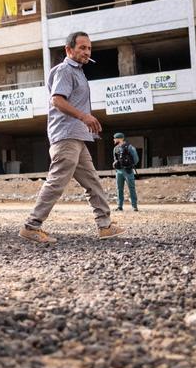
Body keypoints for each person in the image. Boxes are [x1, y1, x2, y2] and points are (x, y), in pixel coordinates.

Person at [21, 31, 125, 243]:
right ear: (69, 50)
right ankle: (32, 226)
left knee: (92, 181)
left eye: (89, 48)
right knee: (57, 181)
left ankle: (105, 226)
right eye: (82, 48)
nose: (86, 52)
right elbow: (57, 101)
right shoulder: (65, 70)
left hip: (78, 138)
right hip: (66, 136)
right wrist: (83, 116)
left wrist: (84, 120)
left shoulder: (78, 73)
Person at [112, 132, 139, 212]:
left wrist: (130, 165)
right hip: (119, 171)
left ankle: (134, 206)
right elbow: (115, 159)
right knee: (119, 189)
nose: (114, 140)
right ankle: (119, 206)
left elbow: (136, 159)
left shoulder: (130, 147)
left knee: (131, 188)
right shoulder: (115, 149)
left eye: (115, 138)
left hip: (128, 170)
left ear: (120, 139)